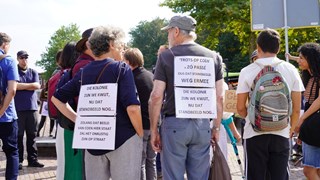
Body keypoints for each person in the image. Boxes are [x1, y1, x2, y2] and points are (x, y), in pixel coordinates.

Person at [52, 25, 143, 180]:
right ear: (112, 44)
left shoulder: (84, 71)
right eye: (122, 44)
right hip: (123, 139)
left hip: (93, 140)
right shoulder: (122, 68)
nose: (123, 48)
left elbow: (57, 98)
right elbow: (133, 108)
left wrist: (78, 120)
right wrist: (140, 133)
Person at [149, 15, 224, 179]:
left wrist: (154, 130)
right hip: (202, 124)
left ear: (176, 31)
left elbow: (156, 96)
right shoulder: (214, 57)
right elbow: (219, 97)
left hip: (174, 124)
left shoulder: (166, 56)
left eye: (168, 31)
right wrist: (216, 128)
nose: (167, 36)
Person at [236, 29, 304, 180]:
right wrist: (290, 130)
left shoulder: (247, 71)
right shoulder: (291, 69)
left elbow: (240, 108)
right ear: (278, 49)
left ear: (258, 47)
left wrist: (254, 117)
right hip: (281, 132)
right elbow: (297, 108)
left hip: (254, 133)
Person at [123, 48, 156, 180]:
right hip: (154, 124)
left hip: (139, 126)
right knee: (151, 161)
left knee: (139, 162)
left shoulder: (131, 78)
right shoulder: (151, 76)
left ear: (129, 61)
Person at [293, 43, 320, 179]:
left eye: (302, 58)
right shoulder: (309, 77)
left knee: (309, 170)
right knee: (315, 169)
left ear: (311, 58)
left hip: (315, 127)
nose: (299, 60)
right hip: (311, 128)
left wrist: (301, 120)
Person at [14, 50, 44, 169]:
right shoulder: (14, 72)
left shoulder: (33, 72)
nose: (24, 60)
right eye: (22, 58)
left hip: (32, 109)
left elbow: (37, 86)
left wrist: (21, 86)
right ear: (18, 59)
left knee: (32, 136)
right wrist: (29, 86)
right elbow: (13, 86)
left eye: (26, 57)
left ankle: (32, 160)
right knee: (19, 136)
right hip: (18, 109)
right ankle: (19, 161)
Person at [0, 32, 19, 179]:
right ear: (4, 44)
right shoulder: (8, 61)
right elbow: (12, 90)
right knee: (11, 151)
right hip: (6, 116)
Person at [37, 50, 62, 137]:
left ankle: (53, 133)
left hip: (54, 103)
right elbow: (42, 96)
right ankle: (38, 132)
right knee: (45, 119)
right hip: (48, 104)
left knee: (53, 120)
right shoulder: (56, 73)